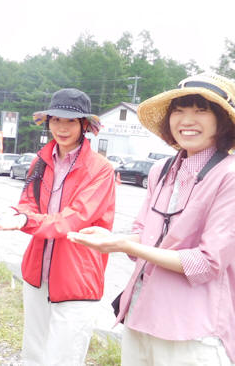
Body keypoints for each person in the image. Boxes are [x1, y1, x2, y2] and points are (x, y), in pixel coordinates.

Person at [68, 73, 235, 365]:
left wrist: (126, 246)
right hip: (140, 314)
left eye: (201, 110)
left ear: (222, 120)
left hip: (192, 330)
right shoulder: (162, 170)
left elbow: (206, 263)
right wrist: (114, 239)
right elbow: (145, 234)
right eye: (179, 111)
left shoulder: (228, 175)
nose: (187, 120)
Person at [0, 88, 115, 365]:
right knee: (33, 353)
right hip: (38, 270)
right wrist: (13, 213)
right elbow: (28, 203)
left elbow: (75, 218)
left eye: (71, 121)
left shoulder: (101, 169)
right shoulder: (40, 161)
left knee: (64, 358)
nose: (62, 128)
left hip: (77, 276)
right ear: (48, 121)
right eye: (56, 119)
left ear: (84, 125)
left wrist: (25, 220)